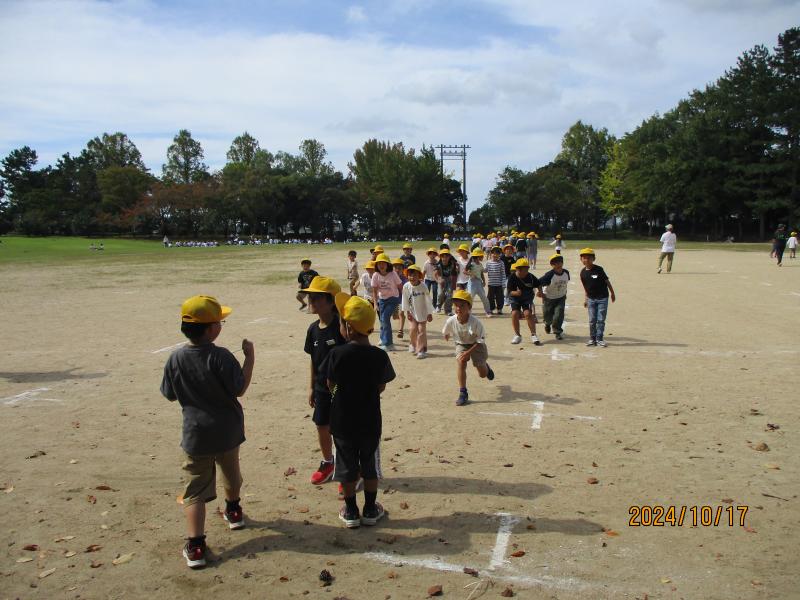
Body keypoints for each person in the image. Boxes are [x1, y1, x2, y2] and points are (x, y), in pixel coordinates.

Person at [160, 295, 255, 568]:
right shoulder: (221, 356)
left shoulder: (176, 358)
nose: (221, 326)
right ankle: (233, 511)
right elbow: (239, 388)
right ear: (211, 329)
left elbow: (169, 393)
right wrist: (249, 358)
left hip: (196, 434)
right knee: (231, 473)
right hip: (227, 431)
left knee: (195, 490)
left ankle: (196, 546)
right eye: (219, 322)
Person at [324, 293, 395, 528]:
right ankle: (370, 509)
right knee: (369, 466)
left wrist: (339, 394)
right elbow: (382, 385)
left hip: (342, 420)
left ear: (349, 328)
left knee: (346, 466)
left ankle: (351, 510)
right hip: (370, 420)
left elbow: (330, 383)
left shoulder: (337, 354)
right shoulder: (379, 355)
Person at [302, 276, 345, 485]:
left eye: (317, 297)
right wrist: (311, 387)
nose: (311, 301)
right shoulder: (312, 329)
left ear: (331, 301)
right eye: (310, 296)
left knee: (343, 428)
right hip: (321, 387)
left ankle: (347, 468)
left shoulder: (342, 327)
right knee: (321, 424)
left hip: (342, 387)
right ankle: (328, 462)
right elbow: (313, 359)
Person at [442, 290, 495, 406]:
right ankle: (463, 392)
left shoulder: (476, 322)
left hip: (477, 345)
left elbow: (480, 341)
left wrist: (469, 352)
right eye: (456, 305)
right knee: (461, 362)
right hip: (461, 344)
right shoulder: (451, 320)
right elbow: (446, 330)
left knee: (482, 374)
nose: (458, 308)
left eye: (462, 305)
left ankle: (486, 367)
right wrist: (446, 334)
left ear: (469, 307)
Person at [579, 248, 616, 347]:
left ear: (593, 259)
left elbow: (607, 281)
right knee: (592, 320)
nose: (586, 260)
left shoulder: (599, 269)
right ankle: (592, 338)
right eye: (584, 258)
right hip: (591, 299)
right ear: (581, 259)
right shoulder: (582, 273)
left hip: (602, 298)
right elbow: (586, 287)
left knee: (600, 320)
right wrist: (586, 299)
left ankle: (599, 338)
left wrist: (612, 293)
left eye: (589, 258)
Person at [402, 264, 435, 358]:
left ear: (419, 276)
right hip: (412, 312)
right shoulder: (406, 286)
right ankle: (412, 344)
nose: (412, 277)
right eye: (410, 275)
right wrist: (407, 311)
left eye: (415, 275)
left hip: (423, 313)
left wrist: (429, 313)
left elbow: (428, 300)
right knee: (413, 329)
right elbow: (405, 299)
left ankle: (421, 350)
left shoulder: (423, 286)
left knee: (421, 330)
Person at [507, 258, 543, 346]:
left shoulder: (530, 277)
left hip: (527, 298)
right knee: (514, 314)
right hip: (515, 298)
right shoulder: (512, 277)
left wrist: (540, 292)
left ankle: (534, 335)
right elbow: (509, 292)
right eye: (525, 269)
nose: (527, 271)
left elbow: (538, 284)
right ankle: (517, 335)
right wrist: (516, 293)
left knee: (528, 314)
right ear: (518, 269)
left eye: (527, 269)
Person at [371, 253, 403, 351]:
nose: (381, 265)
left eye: (383, 263)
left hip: (393, 298)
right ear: (376, 265)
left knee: (385, 318)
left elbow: (400, 287)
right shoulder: (375, 275)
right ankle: (382, 338)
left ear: (388, 264)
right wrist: (375, 304)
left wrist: (404, 301)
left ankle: (389, 344)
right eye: (379, 263)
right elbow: (374, 291)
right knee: (382, 320)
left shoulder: (393, 274)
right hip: (382, 300)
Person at [537, 254, 570, 340]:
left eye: (560, 262)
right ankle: (547, 324)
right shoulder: (549, 275)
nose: (558, 264)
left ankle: (557, 331)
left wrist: (564, 293)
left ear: (562, 263)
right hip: (549, 298)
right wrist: (540, 292)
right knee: (547, 315)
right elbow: (538, 282)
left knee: (559, 314)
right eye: (555, 263)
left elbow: (565, 284)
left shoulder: (566, 273)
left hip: (561, 297)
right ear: (552, 265)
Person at [467, 249, 492, 317]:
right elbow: (465, 271)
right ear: (478, 257)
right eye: (482, 256)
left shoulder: (480, 264)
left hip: (479, 283)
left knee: (484, 297)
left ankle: (488, 311)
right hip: (472, 283)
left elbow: (482, 273)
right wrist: (471, 274)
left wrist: (484, 281)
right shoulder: (471, 264)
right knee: (470, 298)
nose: (483, 257)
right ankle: (468, 312)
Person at [436, 248, 458, 315]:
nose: (445, 258)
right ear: (440, 257)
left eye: (447, 256)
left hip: (449, 280)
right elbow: (436, 274)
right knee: (440, 294)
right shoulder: (439, 265)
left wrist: (454, 283)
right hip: (441, 279)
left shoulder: (452, 264)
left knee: (449, 295)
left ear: (449, 257)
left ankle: (448, 310)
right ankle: (438, 306)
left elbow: (455, 273)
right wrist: (439, 280)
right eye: (443, 256)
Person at [486, 246, 506, 315]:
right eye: (493, 253)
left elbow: (503, 273)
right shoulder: (488, 262)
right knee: (490, 297)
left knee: (500, 297)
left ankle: (499, 309)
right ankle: (491, 309)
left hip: (499, 284)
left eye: (497, 254)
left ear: (499, 254)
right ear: (491, 254)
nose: (495, 255)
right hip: (491, 283)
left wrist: (503, 283)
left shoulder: (501, 263)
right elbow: (485, 270)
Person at [392, 258, 408, 338]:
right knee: (395, 317)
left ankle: (400, 330)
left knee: (401, 314)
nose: (397, 270)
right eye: (395, 268)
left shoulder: (405, 279)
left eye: (399, 268)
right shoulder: (390, 277)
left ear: (403, 269)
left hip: (402, 299)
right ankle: (399, 317)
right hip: (393, 300)